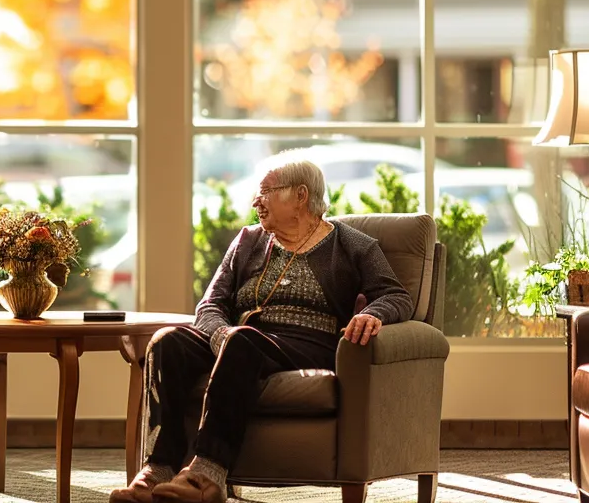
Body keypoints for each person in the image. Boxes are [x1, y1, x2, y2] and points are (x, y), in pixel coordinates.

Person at [112, 152, 415, 503]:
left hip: (308, 342)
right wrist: (218, 333)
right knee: (169, 341)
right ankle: (158, 469)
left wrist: (373, 313)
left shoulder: (352, 245)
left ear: (301, 196)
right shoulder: (248, 240)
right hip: (240, 340)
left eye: (266, 191)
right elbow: (211, 303)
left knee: (243, 341)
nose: (256, 200)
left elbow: (396, 295)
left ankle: (206, 474)